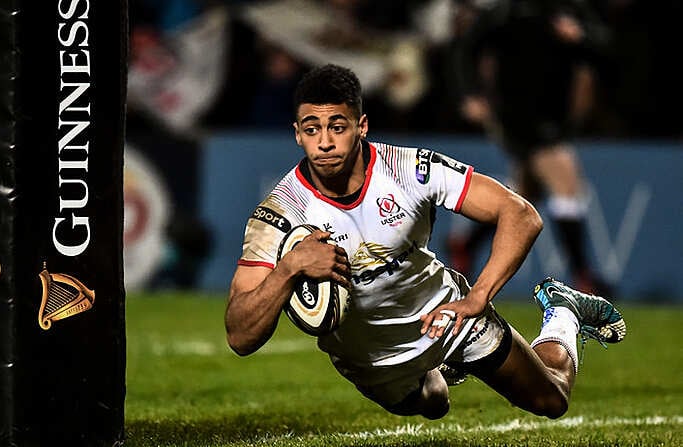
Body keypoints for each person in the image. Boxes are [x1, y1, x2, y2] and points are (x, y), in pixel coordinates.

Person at [224, 64, 625, 419]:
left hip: (448, 318)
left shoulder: (409, 170)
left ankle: (562, 313)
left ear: (361, 126)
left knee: (551, 401)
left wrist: (478, 296)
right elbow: (240, 336)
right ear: (297, 134)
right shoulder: (280, 213)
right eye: (312, 129)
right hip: (371, 360)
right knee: (435, 404)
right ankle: (438, 372)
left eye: (338, 127)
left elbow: (521, 214)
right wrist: (289, 268)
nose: (324, 142)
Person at [445, 0, 613, 295]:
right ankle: (583, 276)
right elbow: (467, 49)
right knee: (565, 181)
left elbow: (604, 45)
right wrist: (470, 94)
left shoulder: (571, 8)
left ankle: (466, 243)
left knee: (525, 196)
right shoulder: (509, 11)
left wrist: (580, 36)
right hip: (516, 114)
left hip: (555, 114)